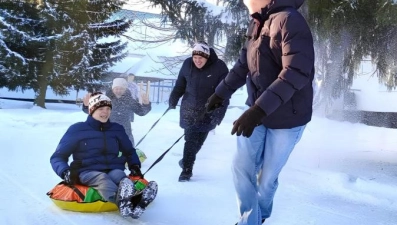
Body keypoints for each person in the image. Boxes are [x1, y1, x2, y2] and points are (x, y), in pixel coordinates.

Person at [206, 0, 315, 224]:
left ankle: (259, 217)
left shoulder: (290, 20)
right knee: (241, 168)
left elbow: (296, 72)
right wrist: (220, 93)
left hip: (288, 118)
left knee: (266, 180)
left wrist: (257, 111)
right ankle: (249, 221)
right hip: (257, 111)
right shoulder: (257, 23)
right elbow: (242, 65)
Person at [50, 92, 157, 218]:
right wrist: (64, 171)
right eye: (101, 109)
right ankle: (128, 202)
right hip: (86, 170)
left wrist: (134, 165)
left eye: (108, 109)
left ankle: (132, 199)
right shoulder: (77, 129)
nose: (105, 112)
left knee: (120, 177)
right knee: (102, 178)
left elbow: (129, 150)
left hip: (112, 168)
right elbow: (58, 156)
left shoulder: (117, 129)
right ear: (91, 110)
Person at [168, 41, 229, 182]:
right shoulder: (187, 64)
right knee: (190, 140)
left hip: (208, 111)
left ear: (207, 57)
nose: (197, 61)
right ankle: (186, 170)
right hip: (189, 109)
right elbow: (180, 84)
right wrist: (173, 99)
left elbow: (224, 93)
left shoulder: (219, 67)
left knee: (199, 142)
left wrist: (219, 113)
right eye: (195, 58)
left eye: (200, 58)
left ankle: (186, 160)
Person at [82, 78, 151, 147]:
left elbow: (141, 112)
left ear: (125, 89)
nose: (118, 91)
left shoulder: (129, 100)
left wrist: (146, 104)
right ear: (112, 89)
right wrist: (86, 106)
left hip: (125, 133)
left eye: (121, 88)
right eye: (116, 88)